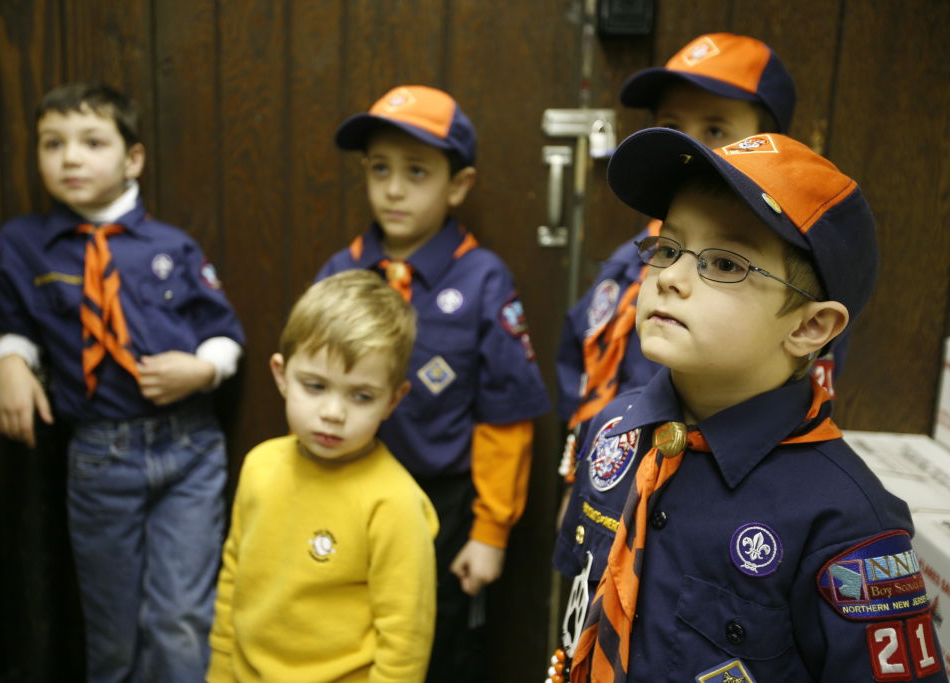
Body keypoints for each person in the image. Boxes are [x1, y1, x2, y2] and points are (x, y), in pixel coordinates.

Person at [561, 128, 945, 681]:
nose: (669, 277)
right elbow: (580, 601)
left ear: (811, 326)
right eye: (667, 248)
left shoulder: (849, 521)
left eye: (723, 264)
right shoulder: (613, 429)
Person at [0, 82, 244, 682]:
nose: (70, 158)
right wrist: (8, 363)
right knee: (112, 633)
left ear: (133, 159)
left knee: (178, 621)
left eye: (91, 142)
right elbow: (14, 322)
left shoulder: (171, 245)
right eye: (53, 144)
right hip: (100, 456)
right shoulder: (25, 244)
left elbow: (224, 332)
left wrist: (203, 369)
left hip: (189, 451)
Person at [317, 84, 551, 681]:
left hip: (439, 507)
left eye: (416, 172)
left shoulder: (482, 280)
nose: (393, 189)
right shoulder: (342, 272)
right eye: (380, 169)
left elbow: (505, 417)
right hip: (344, 492)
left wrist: (490, 531)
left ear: (458, 186)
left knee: (437, 648)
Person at [556, 33, 818, 441]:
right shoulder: (632, 261)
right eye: (672, 126)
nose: (689, 146)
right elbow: (579, 361)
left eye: (715, 129)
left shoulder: (795, 281)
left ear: (769, 144)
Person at [206, 270, 439, 681]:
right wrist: (221, 669)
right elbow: (233, 580)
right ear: (281, 375)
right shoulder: (259, 466)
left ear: (393, 399)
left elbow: (406, 637)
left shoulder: (395, 503)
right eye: (314, 386)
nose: (333, 412)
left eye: (361, 396)